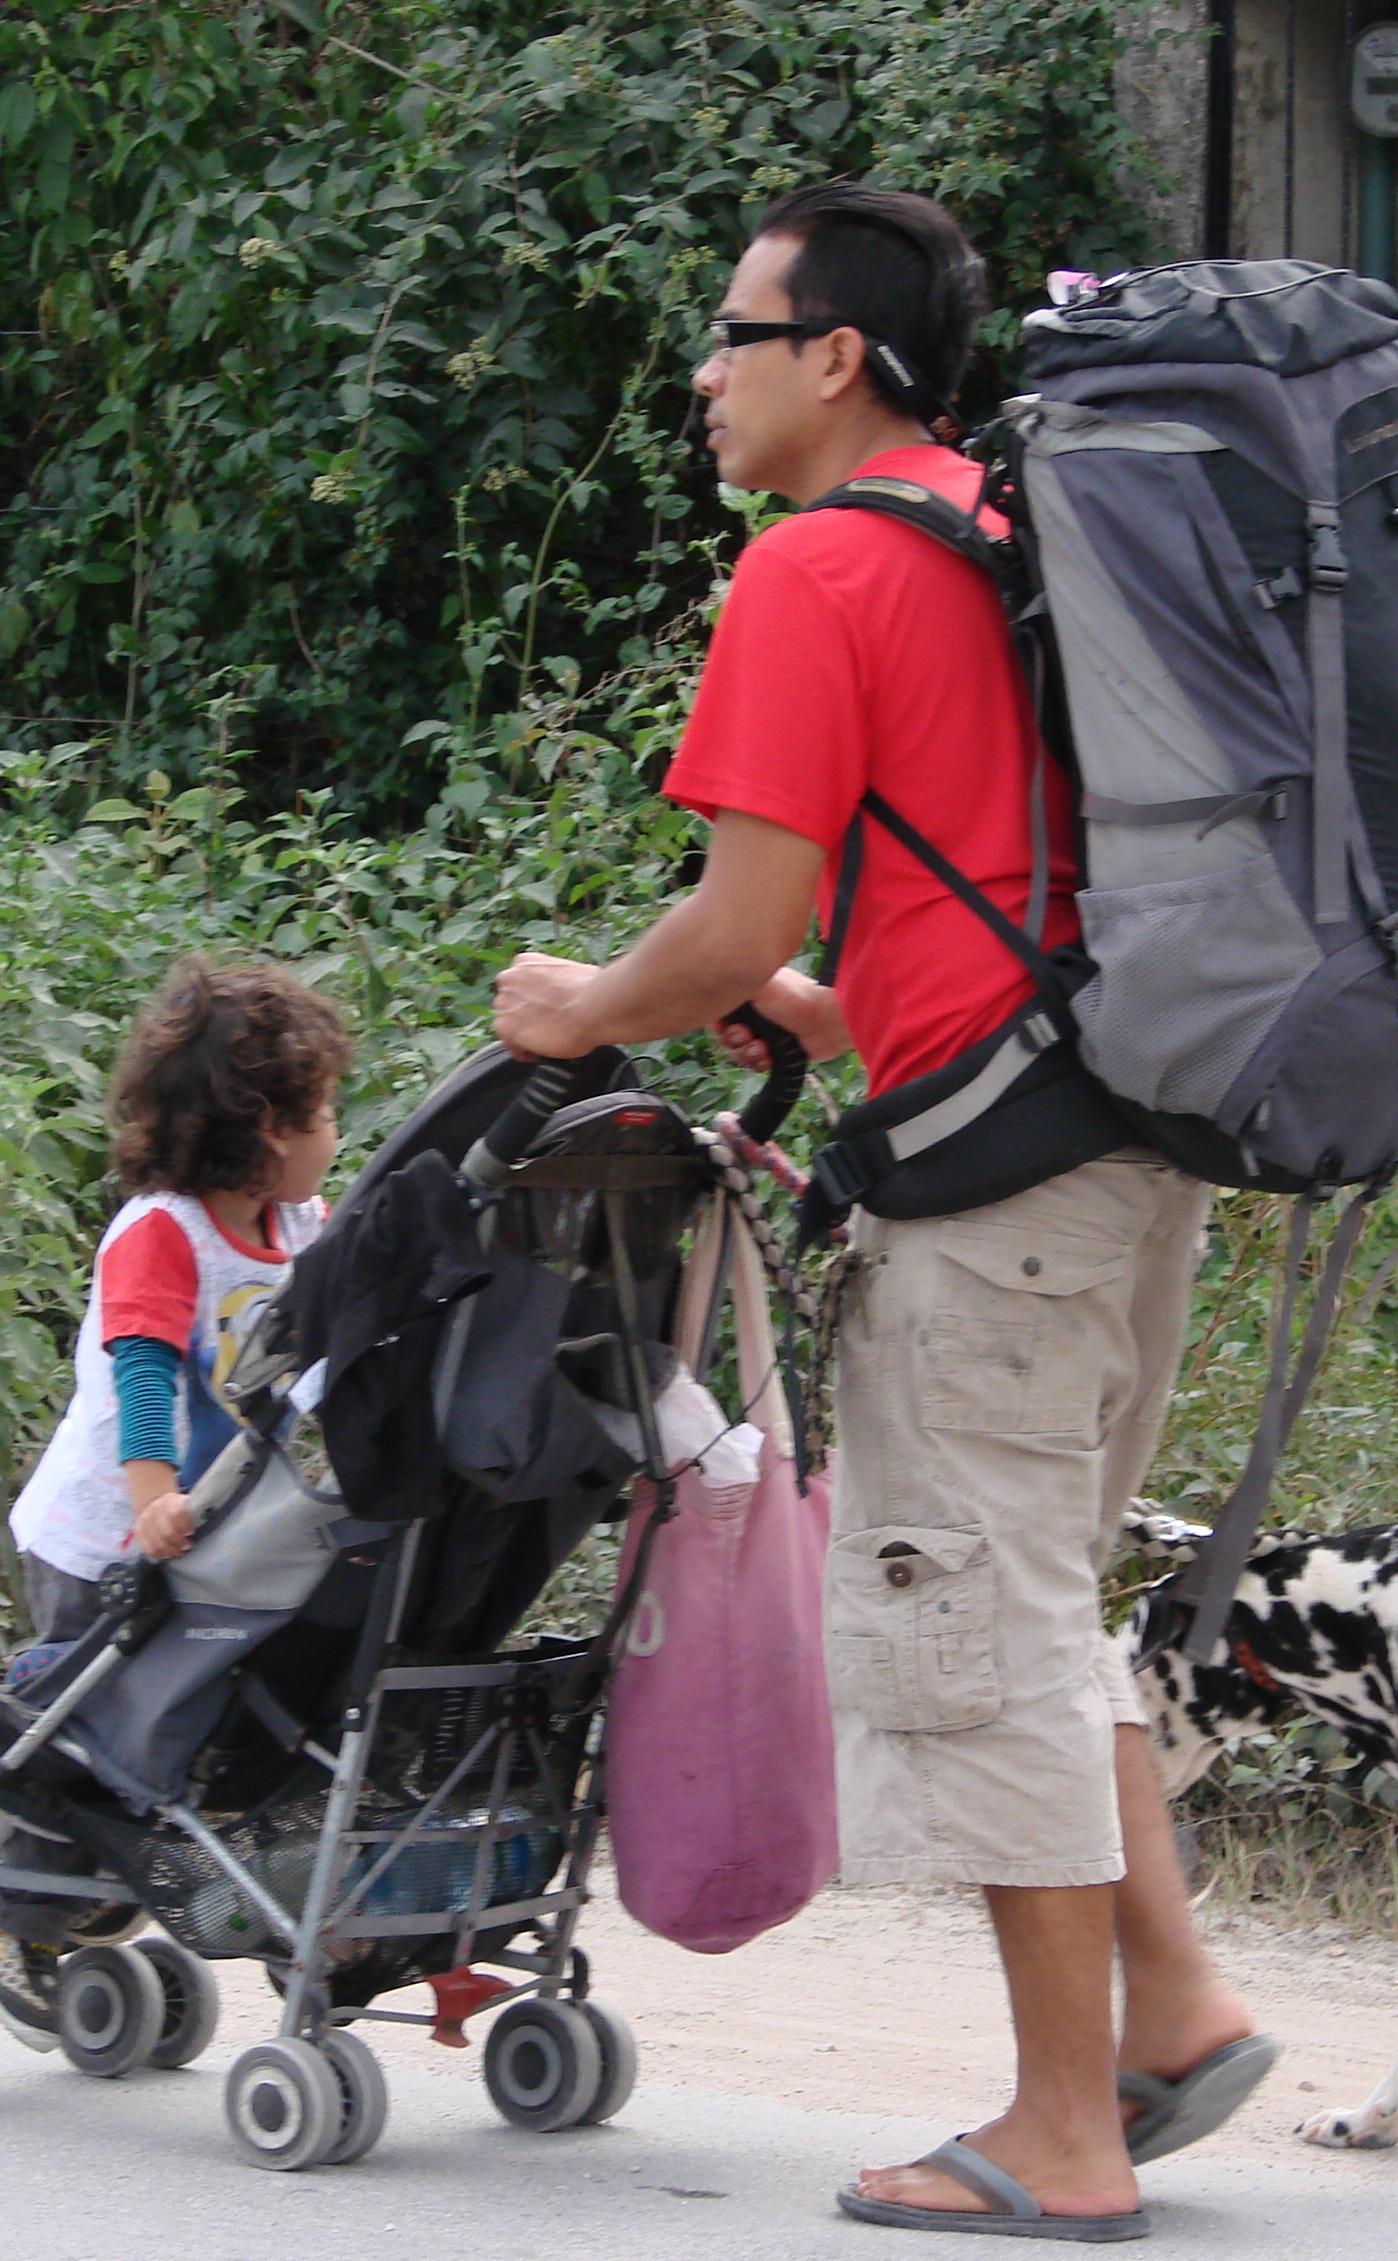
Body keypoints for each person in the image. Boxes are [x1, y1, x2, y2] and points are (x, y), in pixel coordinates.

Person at [491, 184, 1268, 2240]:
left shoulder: (821, 566)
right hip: (1116, 1145)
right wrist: (831, 1013)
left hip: (996, 1206)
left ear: (834, 355)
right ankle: (1173, 2006)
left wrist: (593, 1002)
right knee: (1042, 1607)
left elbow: (741, 911)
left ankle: (1064, 2133)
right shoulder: (1024, 535)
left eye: (734, 334)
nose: (704, 372)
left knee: (984, 1636)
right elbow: (975, 880)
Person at [0, 954, 350, 2030]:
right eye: (323, 1111)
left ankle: (96, 1905)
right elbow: (141, 1368)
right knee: (89, 1730)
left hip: (209, 1530)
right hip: (105, 1536)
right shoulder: (163, 1231)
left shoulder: (299, 1224)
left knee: (170, 1726)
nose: (333, 1132)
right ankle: (14, 1907)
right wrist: (150, 1503)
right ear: (270, 1124)